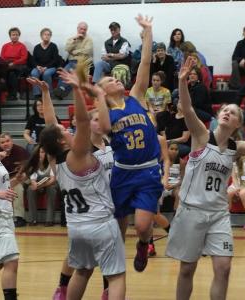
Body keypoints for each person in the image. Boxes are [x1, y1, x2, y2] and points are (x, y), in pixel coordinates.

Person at [166, 56, 245, 300]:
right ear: (219, 116)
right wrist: (183, 83)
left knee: (224, 268)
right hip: (191, 210)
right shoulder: (201, 135)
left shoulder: (237, 146)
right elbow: (188, 109)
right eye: (225, 110)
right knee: (187, 269)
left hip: (217, 214)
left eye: (233, 112)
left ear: (237, 123)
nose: (227, 112)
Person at [27, 67, 126, 300]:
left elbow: (51, 123)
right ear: (63, 141)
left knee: (81, 272)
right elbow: (82, 121)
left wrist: (46, 94)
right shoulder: (79, 154)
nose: (66, 128)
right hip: (100, 221)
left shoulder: (54, 159)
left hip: (77, 227)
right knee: (117, 277)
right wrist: (75, 89)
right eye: (64, 130)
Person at [83, 15, 163, 273]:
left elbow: (146, 63)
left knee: (141, 226)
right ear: (103, 93)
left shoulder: (136, 98)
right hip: (122, 172)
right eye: (109, 80)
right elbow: (105, 128)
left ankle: (143, 243)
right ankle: (113, 272)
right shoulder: (106, 111)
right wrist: (96, 96)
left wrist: (148, 32)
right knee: (118, 227)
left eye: (117, 78)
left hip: (148, 170)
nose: (116, 79)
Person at [0, 149, 19, 300]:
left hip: (4, 215)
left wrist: (18, 179)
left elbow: (3, 185)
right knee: (11, 261)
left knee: (4, 262)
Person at [53, 22, 93, 100]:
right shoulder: (72, 39)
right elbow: (67, 49)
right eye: (81, 29)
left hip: (83, 62)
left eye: (84, 29)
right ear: (77, 29)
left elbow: (87, 51)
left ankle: (61, 91)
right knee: (63, 72)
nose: (83, 31)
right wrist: (75, 40)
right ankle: (61, 90)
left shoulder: (89, 40)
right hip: (71, 62)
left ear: (86, 30)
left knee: (73, 75)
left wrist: (74, 52)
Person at [0, 133, 29, 227]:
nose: (5, 144)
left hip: (22, 177)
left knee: (17, 187)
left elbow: (28, 169)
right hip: (4, 180)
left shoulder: (20, 151)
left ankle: (19, 218)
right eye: (2, 142)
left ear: (12, 141)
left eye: (7, 141)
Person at [23, 145, 58, 226]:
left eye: (42, 152)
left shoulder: (52, 161)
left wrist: (39, 186)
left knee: (51, 188)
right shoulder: (33, 164)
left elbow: (53, 180)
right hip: (39, 184)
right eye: (38, 152)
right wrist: (34, 184)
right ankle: (33, 219)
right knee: (30, 189)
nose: (40, 154)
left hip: (50, 184)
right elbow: (33, 179)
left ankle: (49, 220)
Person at [30, 28, 60, 99]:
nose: (46, 36)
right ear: (41, 36)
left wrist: (46, 67)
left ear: (50, 36)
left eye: (48, 35)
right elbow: (33, 60)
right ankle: (37, 94)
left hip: (50, 67)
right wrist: (37, 66)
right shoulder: (37, 47)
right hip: (39, 67)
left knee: (46, 73)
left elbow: (55, 60)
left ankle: (48, 93)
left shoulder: (53, 46)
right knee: (34, 73)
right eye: (45, 34)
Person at [0, 27, 28, 101]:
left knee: (11, 73)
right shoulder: (5, 46)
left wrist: (14, 63)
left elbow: (24, 58)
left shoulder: (22, 46)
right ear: (10, 36)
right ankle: (3, 94)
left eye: (16, 34)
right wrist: (6, 64)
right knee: (2, 72)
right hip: (7, 64)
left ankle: (13, 95)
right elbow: (2, 57)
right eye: (13, 35)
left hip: (18, 65)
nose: (15, 36)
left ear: (19, 36)